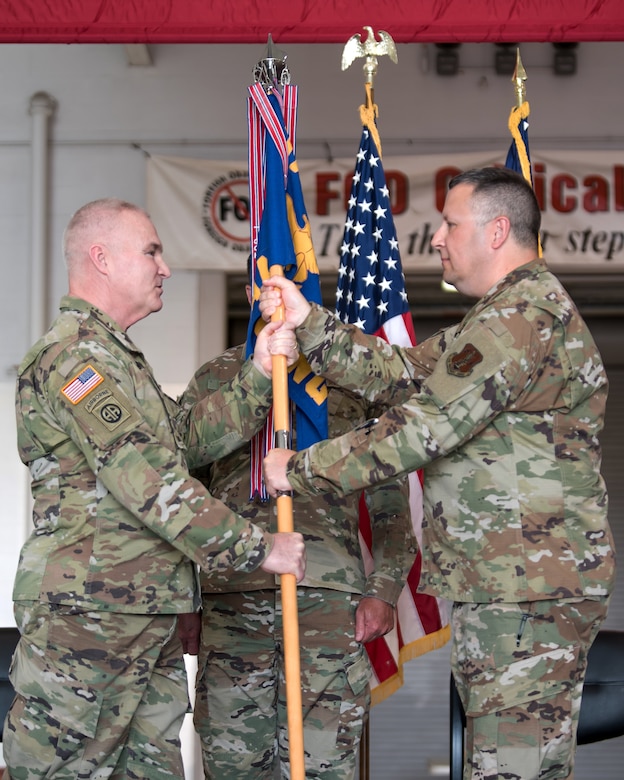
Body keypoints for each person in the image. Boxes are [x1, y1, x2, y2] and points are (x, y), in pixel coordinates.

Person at [260, 167, 616, 780]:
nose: (436, 238)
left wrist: (302, 469)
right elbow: (403, 371)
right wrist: (308, 323)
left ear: (497, 230)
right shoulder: (502, 315)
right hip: (513, 581)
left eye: (450, 223)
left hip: (526, 587)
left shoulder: (521, 318)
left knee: (511, 769)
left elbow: (425, 426)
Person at [4, 198, 306, 780]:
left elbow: (183, 440)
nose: (165, 267)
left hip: (147, 614)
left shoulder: (117, 358)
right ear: (102, 258)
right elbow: (150, 480)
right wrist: (259, 548)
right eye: (151, 251)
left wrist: (260, 377)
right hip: (88, 618)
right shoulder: (74, 359)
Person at [178, 276, 417, 780]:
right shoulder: (214, 379)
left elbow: (392, 501)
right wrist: (185, 601)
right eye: (262, 285)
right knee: (233, 761)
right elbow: (182, 496)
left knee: (324, 764)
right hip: (232, 599)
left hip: (328, 602)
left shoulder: (345, 376)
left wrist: (385, 589)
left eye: (285, 284)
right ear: (249, 294)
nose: (272, 298)